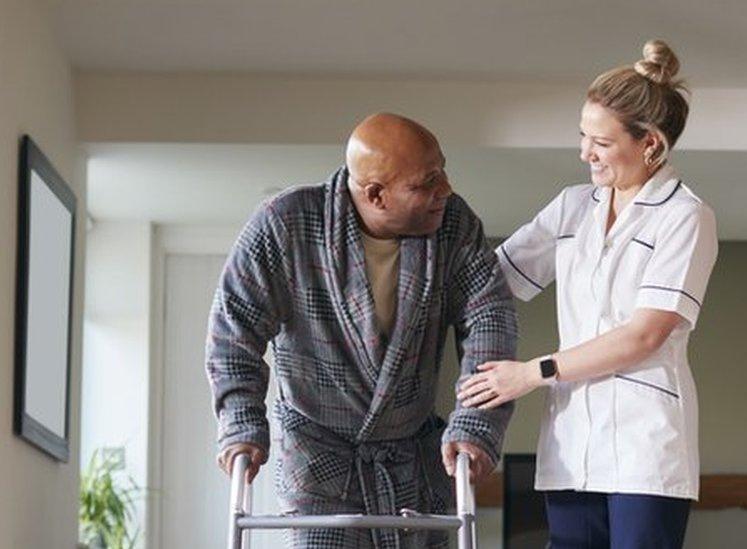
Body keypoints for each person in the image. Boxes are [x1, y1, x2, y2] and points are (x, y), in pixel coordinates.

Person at [206, 113, 518, 548]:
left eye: (442, 171)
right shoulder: (285, 225)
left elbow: (489, 318)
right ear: (376, 194)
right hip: (319, 460)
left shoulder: (453, 225)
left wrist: (475, 423)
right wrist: (241, 422)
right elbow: (233, 334)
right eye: (426, 182)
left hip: (411, 457)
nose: (445, 189)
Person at [457, 40, 718, 548]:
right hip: (573, 439)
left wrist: (532, 373)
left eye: (600, 141)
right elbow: (492, 281)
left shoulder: (685, 216)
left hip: (646, 444)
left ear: (650, 145)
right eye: (583, 136)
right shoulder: (573, 207)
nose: (584, 153)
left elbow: (644, 335)